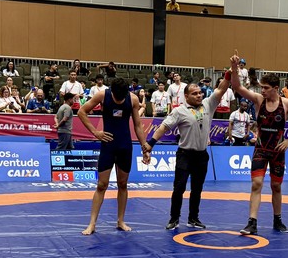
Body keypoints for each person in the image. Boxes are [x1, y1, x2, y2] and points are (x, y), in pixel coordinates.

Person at [229, 55, 288, 235]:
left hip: (278, 151)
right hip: (260, 148)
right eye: (262, 87)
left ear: (275, 88)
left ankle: (277, 220)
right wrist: (234, 68)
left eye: (266, 88)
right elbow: (237, 87)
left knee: (276, 186)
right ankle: (252, 222)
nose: (262, 90)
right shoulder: (258, 100)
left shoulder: (287, 103)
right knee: (256, 184)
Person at [146, 74, 232, 230]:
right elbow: (164, 127)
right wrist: (150, 144)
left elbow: (221, 89)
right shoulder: (179, 111)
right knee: (179, 188)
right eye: (195, 93)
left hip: (201, 155)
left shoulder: (208, 104)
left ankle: (193, 218)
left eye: (200, 93)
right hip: (185, 154)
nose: (199, 95)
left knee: (197, 189)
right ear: (186, 96)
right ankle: (174, 218)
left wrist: (229, 73)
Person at [78, 78, 150, 235]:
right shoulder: (102, 95)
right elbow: (81, 111)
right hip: (108, 145)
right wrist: (95, 132)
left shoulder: (133, 99)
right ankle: (92, 224)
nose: (119, 100)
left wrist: (145, 148)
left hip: (125, 145)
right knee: (101, 185)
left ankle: (120, 221)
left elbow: (137, 124)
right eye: (117, 97)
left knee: (122, 184)